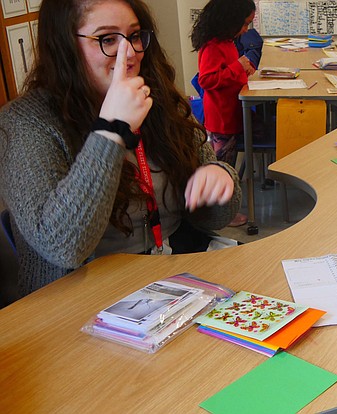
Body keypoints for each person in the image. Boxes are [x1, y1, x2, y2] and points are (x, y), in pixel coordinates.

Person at [0, 0, 242, 298]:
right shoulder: (25, 122)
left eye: (135, 36)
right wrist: (110, 132)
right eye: (107, 39)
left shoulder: (160, 100)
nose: (129, 53)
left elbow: (213, 220)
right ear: (65, 45)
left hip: (173, 278)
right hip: (80, 301)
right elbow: (63, 247)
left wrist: (220, 179)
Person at [190, 0, 256, 227]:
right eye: (245, 24)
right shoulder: (212, 46)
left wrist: (244, 68)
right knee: (221, 168)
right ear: (230, 20)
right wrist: (237, 67)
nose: (246, 29)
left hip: (231, 113)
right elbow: (207, 80)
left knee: (227, 164)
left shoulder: (228, 42)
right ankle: (220, 214)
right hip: (221, 118)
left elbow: (228, 71)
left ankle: (223, 209)